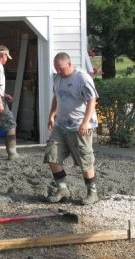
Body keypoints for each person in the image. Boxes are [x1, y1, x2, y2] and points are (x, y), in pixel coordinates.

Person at [44, 52, 99, 205]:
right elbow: (56, 96)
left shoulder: (82, 78)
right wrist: (51, 115)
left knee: (85, 160)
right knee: (51, 155)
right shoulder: (57, 78)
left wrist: (85, 122)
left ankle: (92, 193)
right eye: (56, 69)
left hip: (79, 127)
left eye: (61, 69)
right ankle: (62, 189)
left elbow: (92, 101)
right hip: (61, 126)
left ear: (69, 64)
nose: (59, 72)